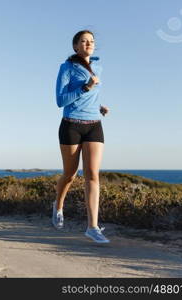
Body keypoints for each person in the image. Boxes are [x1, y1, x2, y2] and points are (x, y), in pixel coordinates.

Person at [52, 30, 110, 243]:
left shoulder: (98, 67)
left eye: (92, 41)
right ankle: (58, 205)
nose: (89, 44)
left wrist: (99, 106)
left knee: (93, 175)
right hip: (71, 125)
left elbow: (93, 94)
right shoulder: (66, 67)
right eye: (84, 41)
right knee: (70, 174)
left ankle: (92, 227)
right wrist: (86, 87)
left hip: (94, 124)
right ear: (75, 46)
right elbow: (60, 100)